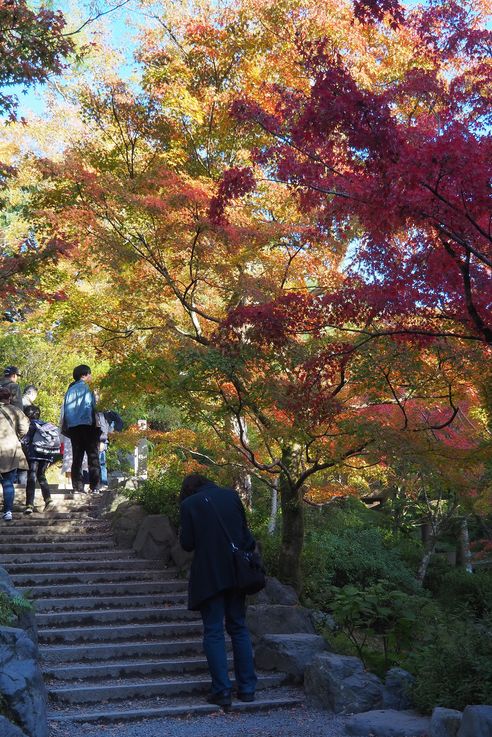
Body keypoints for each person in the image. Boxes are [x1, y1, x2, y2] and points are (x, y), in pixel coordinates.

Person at [179, 473, 257, 708]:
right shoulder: (231, 496)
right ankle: (247, 689)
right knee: (239, 628)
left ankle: (222, 691)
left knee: (213, 630)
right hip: (236, 573)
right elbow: (245, 535)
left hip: (209, 575)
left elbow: (187, 544)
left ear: (189, 489)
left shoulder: (189, 504)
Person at [62, 364, 100, 494]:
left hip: (74, 427)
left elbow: (65, 410)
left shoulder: (70, 390)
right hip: (88, 425)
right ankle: (95, 486)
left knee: (77, 457)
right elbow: (94, 406)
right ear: (85, 375)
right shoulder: (89, 388)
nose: (91, 377)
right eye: (90, 374)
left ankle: (77, 487)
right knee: (93, 456)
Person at [0, 387, 29, 521]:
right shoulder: (16, 410)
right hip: (10, 449)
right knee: (8, 482)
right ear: (9, 398)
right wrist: (16, 435)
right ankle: (7, 512)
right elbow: (24, 427)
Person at [23, 405, 57, 514]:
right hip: (47, 454)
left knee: (32, 477)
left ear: (27, 416)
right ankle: (48, 500)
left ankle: (29, 505)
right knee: (41, 476)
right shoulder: (46, 424)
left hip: (34, 454)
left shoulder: (32, 425)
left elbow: (26, 440)